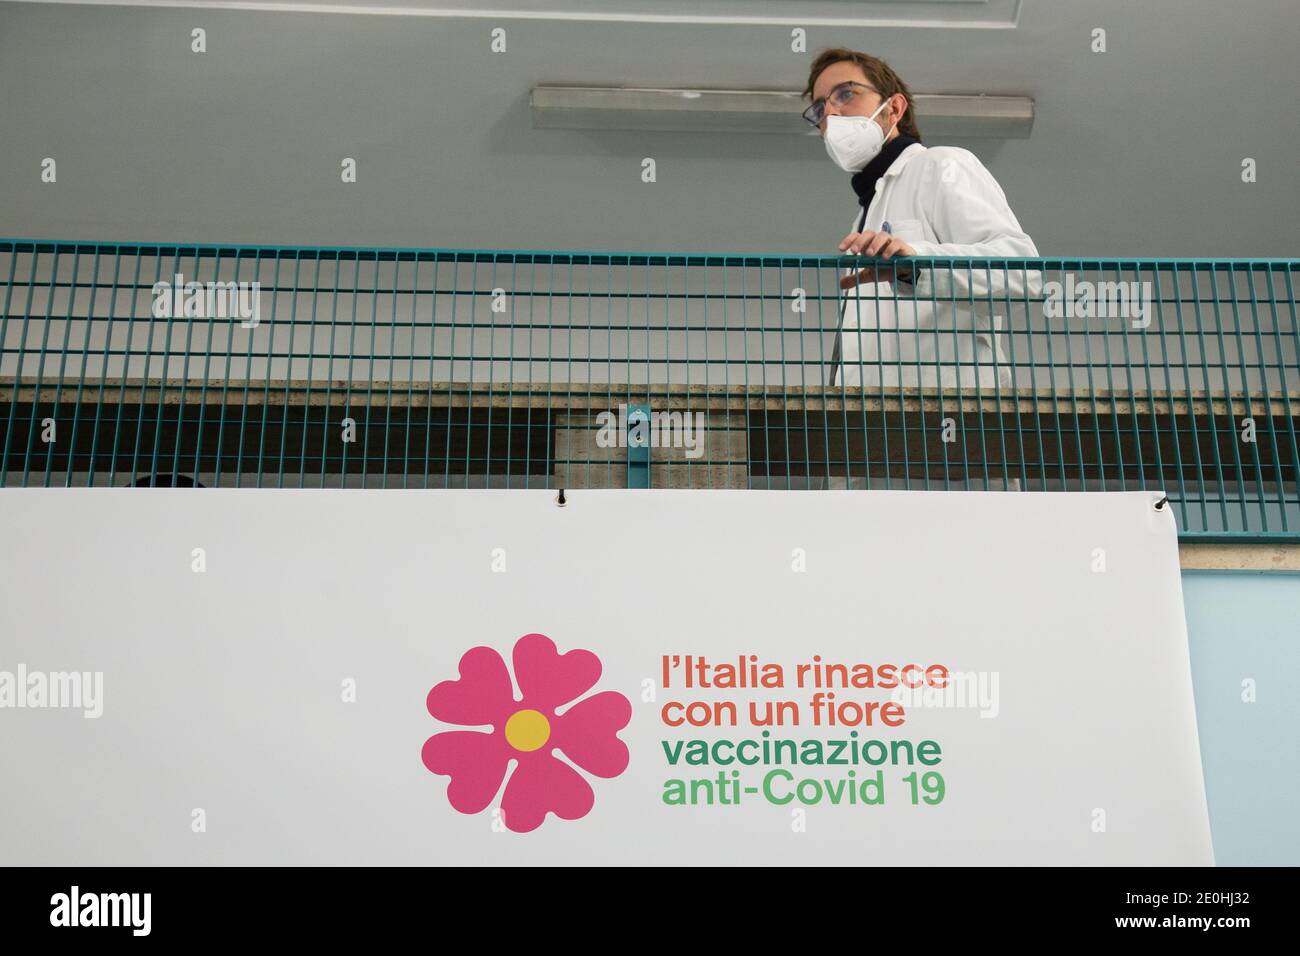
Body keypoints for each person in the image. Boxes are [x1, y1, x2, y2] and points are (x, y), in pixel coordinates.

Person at [803, 49, 1041, 394]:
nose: (833, 113)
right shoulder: (866, 213)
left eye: (846, 94)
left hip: (954, 415)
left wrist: (915, 266)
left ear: (894, 109)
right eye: (821, 108)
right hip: (871, 429)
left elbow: (1021, 273)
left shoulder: (941, 165)